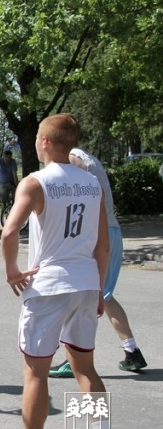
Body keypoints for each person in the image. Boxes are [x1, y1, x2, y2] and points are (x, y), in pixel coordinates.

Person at [0, 114, 120, 429]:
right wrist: (99, 290)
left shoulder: (36, 182)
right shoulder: (91, 183)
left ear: (47, 142)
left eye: (37, 137)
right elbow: (102, 246)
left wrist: (12, 272)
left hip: (49, 285)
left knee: (36, 371)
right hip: (85, 283)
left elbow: (8, 232)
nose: (36, 142)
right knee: (85, 368)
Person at [49, 147, 147, 377]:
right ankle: (132, 351)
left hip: (95, 232)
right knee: (104, 295)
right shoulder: (89, 157)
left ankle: (73, 359)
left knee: (78, 295)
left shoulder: (72, 158)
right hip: (112, 230)